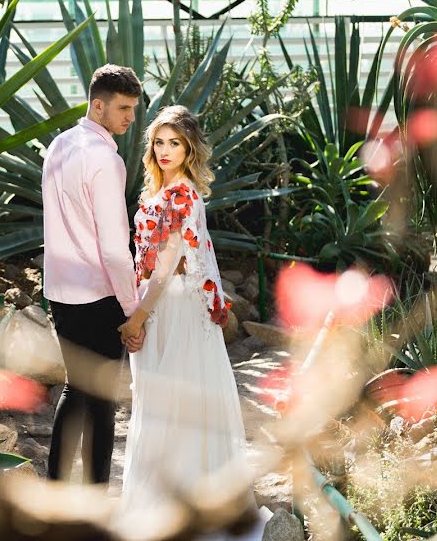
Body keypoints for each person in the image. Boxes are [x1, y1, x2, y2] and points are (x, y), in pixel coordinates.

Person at [116, 105, 270, 537]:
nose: (165, 151)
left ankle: (182, 504)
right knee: (157, 400)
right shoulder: (154, 193)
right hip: (156, 302)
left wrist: (138, 317)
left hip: (178, 305)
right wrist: (138, 308)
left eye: (175, 143)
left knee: (174, 402)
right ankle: (159, 499)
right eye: (159, 142)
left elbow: (167, 266)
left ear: (189, 149)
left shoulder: (183, 194)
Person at [42, 64, 145, 485]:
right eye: (122, 108)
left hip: (61, 293)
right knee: (100, 402)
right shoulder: (105, 159)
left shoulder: (58, 145)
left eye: (133, 108)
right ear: (97, 104)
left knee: (76, 391)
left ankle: (55, 495)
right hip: (99, 297)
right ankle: (94, 499)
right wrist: (132, 308)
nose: (130, 118)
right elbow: (115, 251)